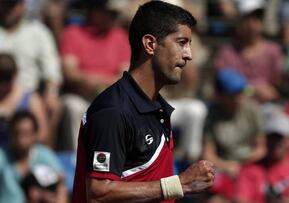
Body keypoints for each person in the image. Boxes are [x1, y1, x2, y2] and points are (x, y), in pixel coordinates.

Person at [72, 1, 215, 203]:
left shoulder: (155, 108)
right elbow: (98, 193)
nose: (189, 55)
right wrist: (180, 184)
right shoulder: (113, 111)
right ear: (150, 44)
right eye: (181, 42)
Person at [60, 0, 131, 149]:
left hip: (112, 96)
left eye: (116, 13)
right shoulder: (72, 33)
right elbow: (70, 72)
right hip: (81, 95)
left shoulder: (120, 36)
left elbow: (126, 75)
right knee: (73, 106)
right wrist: (90, 81)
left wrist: (99, 82)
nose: (115, 17)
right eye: (111, 13)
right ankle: (76, 160)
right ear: (95, 11)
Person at [0, 0, 63, 147]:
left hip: (27, 97)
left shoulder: (39, 32)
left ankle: (42, 155)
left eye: (13, 5)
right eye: (5, 4)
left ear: (23, 5)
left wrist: (51, 94)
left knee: (53, 105)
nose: (9, 9)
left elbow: (52, 72)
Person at [202, 69, 265, 202]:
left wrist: (241, 164)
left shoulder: (252, 110)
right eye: (234, 94)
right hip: (223, 166)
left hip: (249, 165)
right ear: (220, 96)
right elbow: (208, 154)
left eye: (241, 92)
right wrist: (226, 166)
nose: (240, 97)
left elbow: (261, 149)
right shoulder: (212, 115)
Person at [213, 0, 284, 102]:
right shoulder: (226, 53)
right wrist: (252, 91)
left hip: (266, 108)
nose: (252, 24)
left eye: (257, 18)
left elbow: (275, 90)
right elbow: (223, 90)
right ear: (239, 21)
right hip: (234, 110)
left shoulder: (274, 51)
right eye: (248, 18)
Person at [0, 111, 67, 203]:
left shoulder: (44, 155)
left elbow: (61, 183)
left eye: (26, 134)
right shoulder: (2, 154)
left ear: (35, 135)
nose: (21, 139)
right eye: (17, 133)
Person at [0, 53, 49, 147]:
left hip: (23, 154)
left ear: (15, 75)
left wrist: (20, 129)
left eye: (7, 79)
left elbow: (42, 136)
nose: (3, 85)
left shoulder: (31, 100)